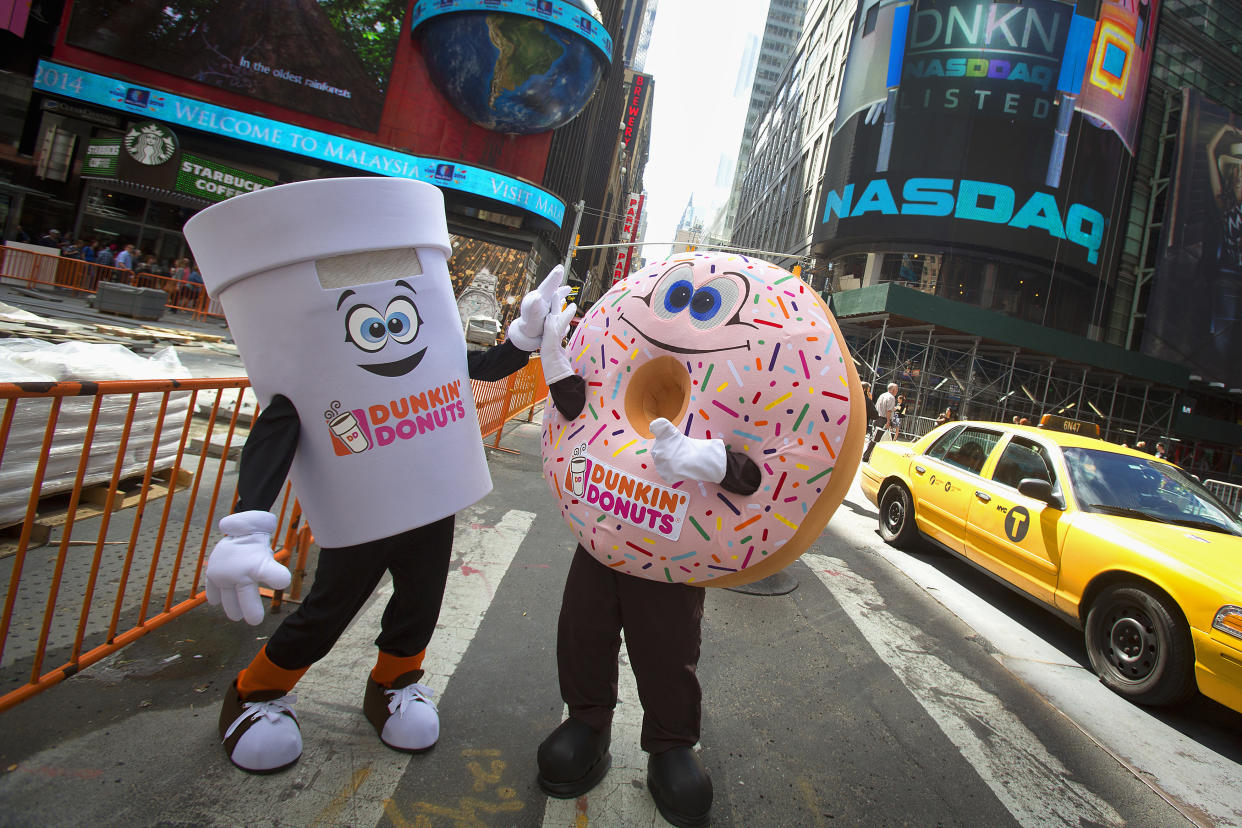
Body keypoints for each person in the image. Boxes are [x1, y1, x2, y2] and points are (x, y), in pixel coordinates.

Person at [184, 177, 572, 776]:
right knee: (330, 606)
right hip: (362, 501)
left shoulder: (434, 345)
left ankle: (394, 683)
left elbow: (486, 366)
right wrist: (245, 528)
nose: (393, 333)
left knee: (421, 601)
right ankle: (256, 690)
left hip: (431, 494)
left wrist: (523, 334)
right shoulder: (314, 372)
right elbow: (277, 426)